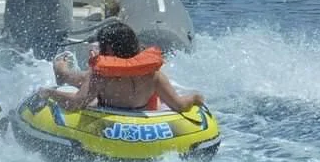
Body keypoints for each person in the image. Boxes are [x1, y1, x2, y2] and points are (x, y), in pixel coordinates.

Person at [37, 23, 205, 112]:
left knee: (84, 78)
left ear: (109, 49)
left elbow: (75, 104)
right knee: (87, 78)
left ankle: (62, 71)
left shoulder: (101, 75)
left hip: (105, 110)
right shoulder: (153, 75)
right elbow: (180, 105)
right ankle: (63, 72)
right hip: (140, 114)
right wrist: (195, 98)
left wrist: (48, 93)